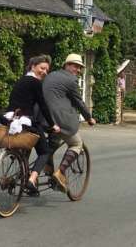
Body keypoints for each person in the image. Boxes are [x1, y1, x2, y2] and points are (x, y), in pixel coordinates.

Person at [0, 54, 60, 193]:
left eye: (47, 70)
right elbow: (43, 106)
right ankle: (31, 179)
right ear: (33, 66)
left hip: (11, 118)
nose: (44, 72)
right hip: (24, 121)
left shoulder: (21, 80)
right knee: (45, 151)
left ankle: (13, 163)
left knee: (22, 147)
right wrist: (53, 124)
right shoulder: (35, 82)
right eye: (42, 68)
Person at [42, 53, 96, 193]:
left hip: (43, 118)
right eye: (76, 66)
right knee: (76, 144)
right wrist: (89, 118)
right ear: (66, 65)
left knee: (51, 145)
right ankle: (59, 172)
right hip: (60, 119)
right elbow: (78, 101)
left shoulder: (50, 75)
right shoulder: (71, 80)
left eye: (80, 67)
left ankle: (46, 170)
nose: (78, 70)